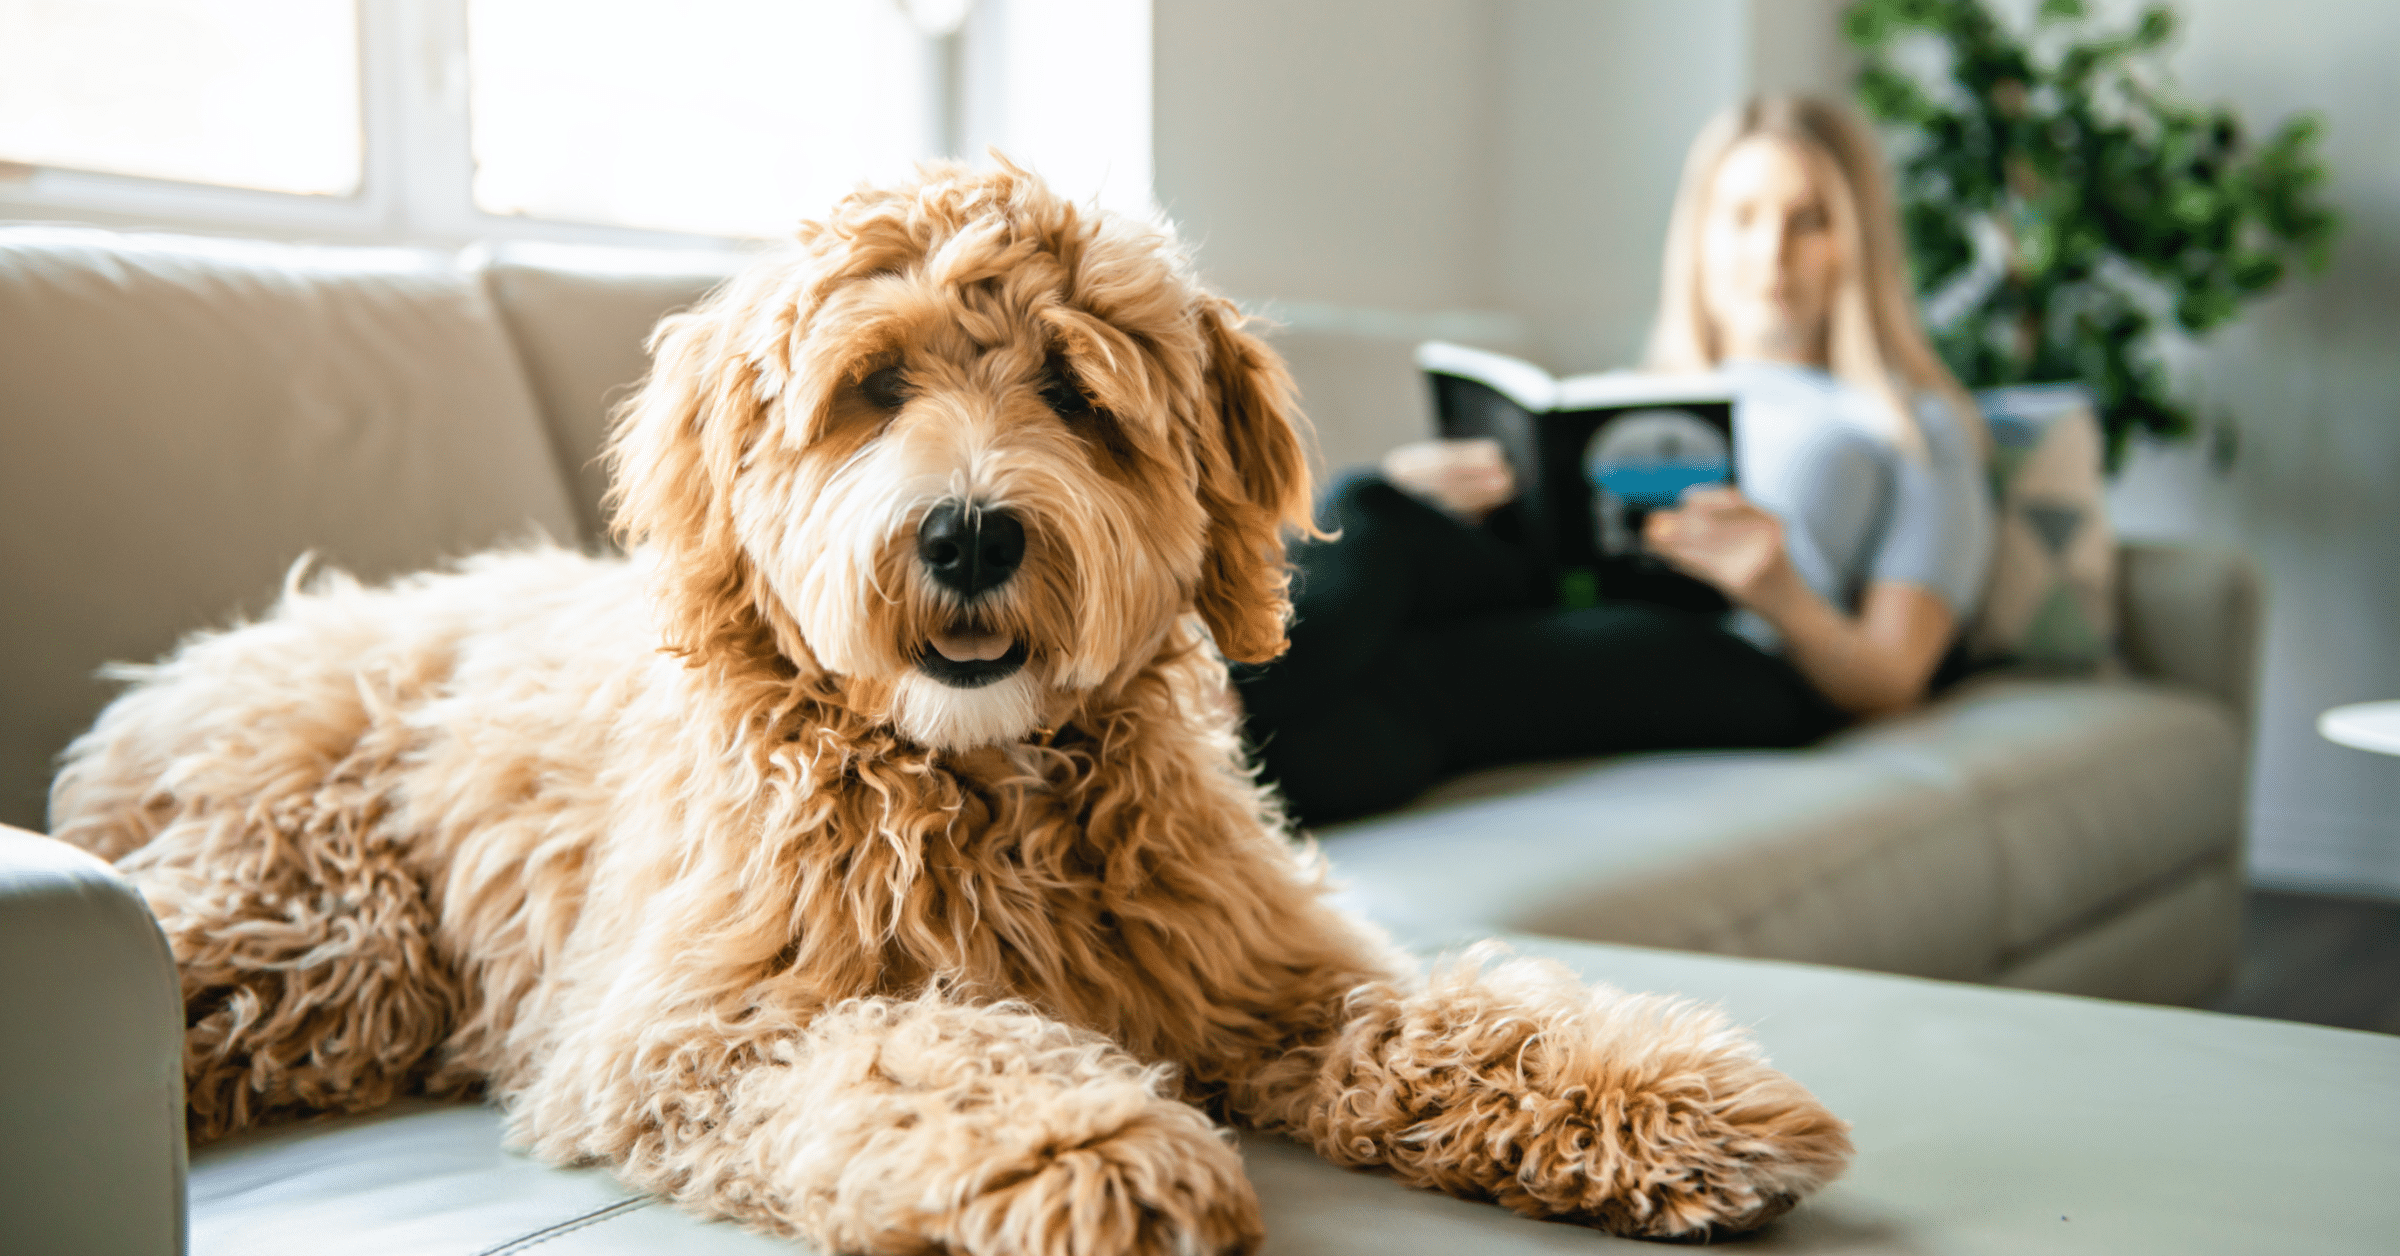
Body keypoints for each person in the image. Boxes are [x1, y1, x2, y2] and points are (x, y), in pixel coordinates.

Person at [1234, 95, 1994, 826]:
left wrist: (1780, 592)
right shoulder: (1643, 391)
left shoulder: (1913, 425)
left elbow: (1894, 678)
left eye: (1811, 222)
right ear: (1700, 237)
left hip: (1742, 650)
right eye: (1742, 219)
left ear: (1857, 244)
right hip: (1571, 588)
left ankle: (1170, 767)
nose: (1771, 254)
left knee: (1440, 677)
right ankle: (1188, 718)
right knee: (1372, 507)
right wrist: (1447, 501)